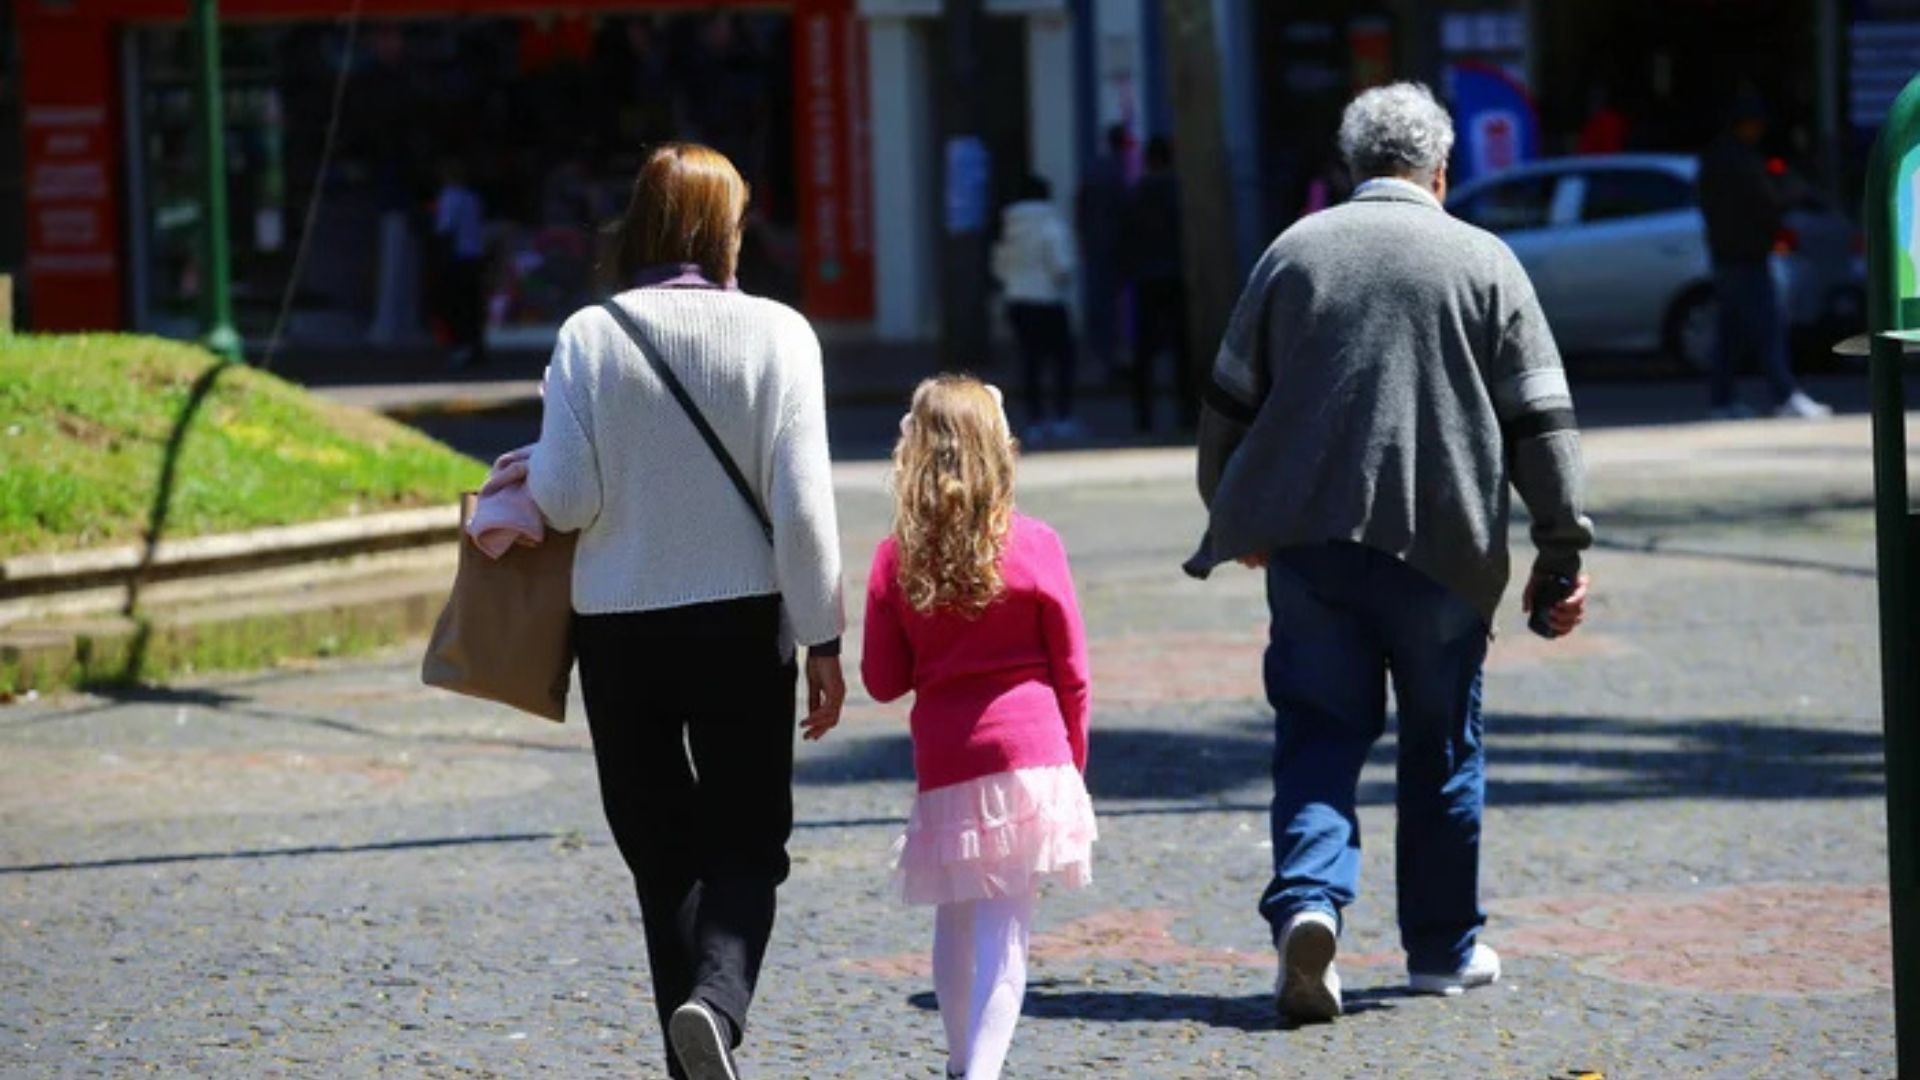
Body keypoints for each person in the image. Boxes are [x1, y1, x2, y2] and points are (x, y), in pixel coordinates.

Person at [1184, 83, 1595, 1024]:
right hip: (1445, 549)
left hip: (1311, 547)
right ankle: (1442, 950)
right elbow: (1543, 421)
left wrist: (1234, 515)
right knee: (1442, 745)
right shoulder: (1486, 262)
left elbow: (1227, 407)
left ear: (1350, 166)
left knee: (1319, 732)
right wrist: (1560, 551)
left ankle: (1309, 907)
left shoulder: (1293, 254)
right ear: (1442, 172)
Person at [526, 143, 847, 1080]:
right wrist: (822, 637)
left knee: (661, 850)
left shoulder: (590, 337)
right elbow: (804, 509)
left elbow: (568, 498)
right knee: (750, 838)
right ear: (725, 231)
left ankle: (692, 1047)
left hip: (619, 627)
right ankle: (715, 1005)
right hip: (745, 624)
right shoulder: (783, 336)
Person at [861, 376, 1098, 1080]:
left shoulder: (894, 558)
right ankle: (982, 1072)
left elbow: (882, 680)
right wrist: (1072, 766)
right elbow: (1073, 671)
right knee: (1006, 926)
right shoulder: (1036, 544)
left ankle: (962, 1062)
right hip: (1031, 752)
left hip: (946, 760)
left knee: (955, 919)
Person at [1697, 94, 1831, 420]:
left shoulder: (1717, 159)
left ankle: (1722, 401)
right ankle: (1785, 395)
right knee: (1769, 328)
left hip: (1727, 254)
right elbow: (1765, 203)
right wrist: (1792, 193)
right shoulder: (1740, 161)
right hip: (1746, 256)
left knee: (1731, 335)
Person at [993, 175, 1084, 443]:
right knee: (1062, 361)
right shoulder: (1052, 225)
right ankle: (1062, 417)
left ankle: (1035, 420)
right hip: (1049, 300)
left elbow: (999, 266)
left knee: (1029, 361)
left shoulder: (1009, 227)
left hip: (1017, 300)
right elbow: (1062, 266)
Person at [1124, 136, 1196, 433]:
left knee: (1145, 352)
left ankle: (1144, 416)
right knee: (1182, 348)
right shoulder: (1181, 192)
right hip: (1175, 274)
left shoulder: (1137, 193)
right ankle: (1186, 413)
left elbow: (1126, 235)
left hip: (1146, 277)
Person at [1077, 123, 1132, 383]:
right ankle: (1108, 358)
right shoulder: (1120, 172)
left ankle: (1103, 355)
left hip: (1096, 245)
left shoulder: (1095, 170)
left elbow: (1082, 206)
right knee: (1108, 306)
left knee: (1100, 304)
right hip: (1113, 248)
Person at [431, 159, 489, 370]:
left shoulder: (449, 197)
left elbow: (445, 229)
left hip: (457, 257)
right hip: (475, 255)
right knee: (473, 305)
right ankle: (476, 346)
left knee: (457, 305)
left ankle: (461, 347)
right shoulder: (473, 198)